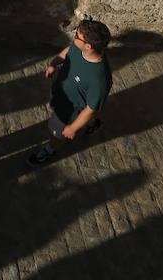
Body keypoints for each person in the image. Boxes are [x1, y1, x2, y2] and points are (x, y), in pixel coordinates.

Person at [27, 19, 112, 168]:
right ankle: (91, 125)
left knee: (56, 133)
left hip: (69, 111)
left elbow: (91, 108)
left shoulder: (100, 80)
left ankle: (50, 149)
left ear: (88, 46)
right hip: (62, 95)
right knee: (83, 118)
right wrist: (54, 64)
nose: (73, 36)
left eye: (76, 36)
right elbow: (67, 52)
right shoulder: (79, 48)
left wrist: (72, 128)